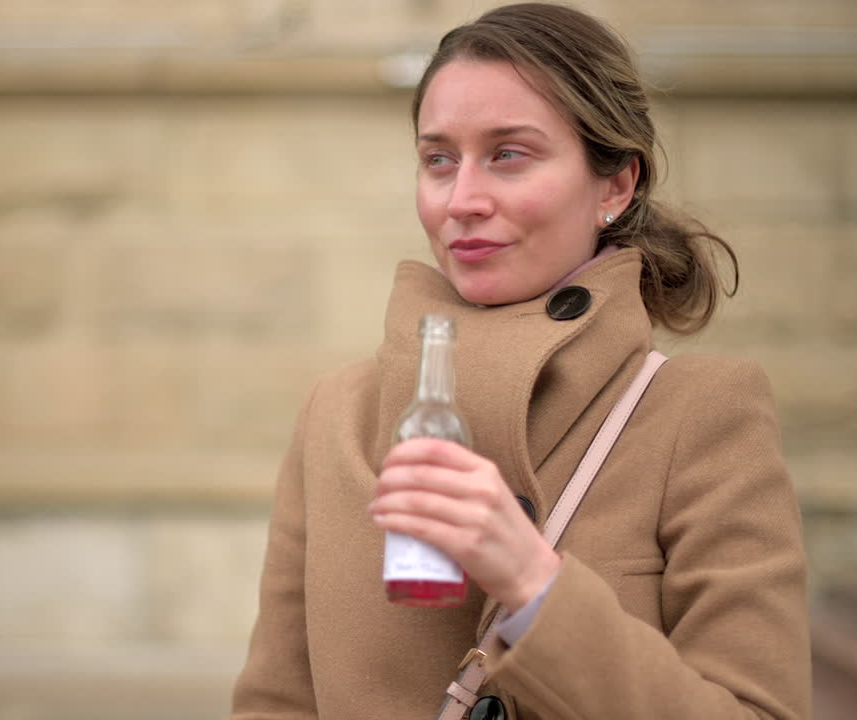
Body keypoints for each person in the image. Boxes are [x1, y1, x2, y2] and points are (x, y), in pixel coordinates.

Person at [229, 3, 810, 719]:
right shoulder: (339, 413)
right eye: (439, 159)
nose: (462, 200)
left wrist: (536, 585)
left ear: (615, 185)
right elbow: (276, 704)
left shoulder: (701, 413)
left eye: (509, 154)